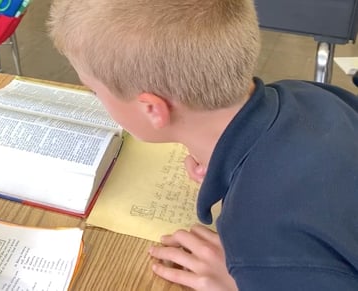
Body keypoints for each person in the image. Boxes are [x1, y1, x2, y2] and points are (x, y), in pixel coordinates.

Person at [47, 0, 358, 290]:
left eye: (95, 92)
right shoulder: (309, 94)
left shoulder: (257, 241)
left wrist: (246, 282)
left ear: (153, 109)